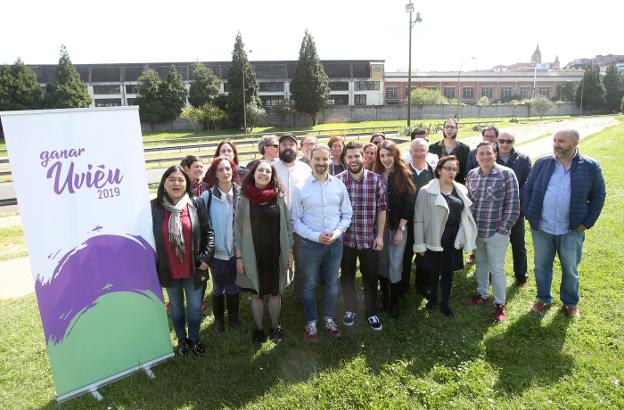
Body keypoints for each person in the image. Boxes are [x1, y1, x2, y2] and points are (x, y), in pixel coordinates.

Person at [524, 129, 605, 318]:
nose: (556, 144)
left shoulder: (590, 166)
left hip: (571, 228)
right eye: (554, 140)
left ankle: (570, 303)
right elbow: (528, 187)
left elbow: (599, 195)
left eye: (561, 141)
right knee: (541, 265)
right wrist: (529, 213)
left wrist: (586, 223)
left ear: (574, 143)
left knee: (570, 267)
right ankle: (543, 298)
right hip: (542, 227)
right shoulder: (543, 162)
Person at [151, 165, 215, 357]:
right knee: (176, 307)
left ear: (186, 183)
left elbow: (208, 232)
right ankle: (182, 339)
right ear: (164, 183)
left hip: (194, 268)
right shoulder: (153, 207)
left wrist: (206, 258)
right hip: (168, 269)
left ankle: (194, 338)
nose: (176, 183)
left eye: (180, 179)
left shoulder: (196, 203)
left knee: (195, 307)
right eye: (171, 179)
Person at [291, 145, 352, 342]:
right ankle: (310, 321)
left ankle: (328, 318)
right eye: (317, 159)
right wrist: (316, 236)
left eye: (325, 159)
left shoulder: (339, 185)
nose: (322, 163)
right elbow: (295, 221)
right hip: (310, 245)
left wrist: (337, 232)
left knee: (332, 282)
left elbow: (347, 214)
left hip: (335, 243)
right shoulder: (301, 187)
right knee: (309, 284)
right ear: (310, 159)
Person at [235, 160, 294, 345]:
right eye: (260, 170)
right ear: (253, 173)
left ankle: (275, 327)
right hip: (253, 253)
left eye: (268, 171)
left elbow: (288, 226)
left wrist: (290, 251)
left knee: (275, 292)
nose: (264, 174)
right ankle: (259, 329)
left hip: (277, 253)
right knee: (256, 293)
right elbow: (238, 230)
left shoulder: (279, 197)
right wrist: (239, 256)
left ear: (272, 176)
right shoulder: (243, 199)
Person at [413, 155, 477, 317]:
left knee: (448, 272)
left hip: (453, 238)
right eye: (448, 168)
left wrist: (464, 235)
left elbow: (465, 216)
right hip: (434, 238)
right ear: (439, 170)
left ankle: (445, 303)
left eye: (455, 169)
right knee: (434, 271)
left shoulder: (461, 190)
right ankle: (433, 299)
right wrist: (419, 243)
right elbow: (418, 219)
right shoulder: (426, 191)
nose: (452, 172)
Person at [465, 141, 520, 322]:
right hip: (477, 231)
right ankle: (482, 294)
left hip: (496, 232)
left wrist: (503, 230)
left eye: (488, 153)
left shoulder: (506, 174)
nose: (485, 156)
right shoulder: (472, 175)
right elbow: (469, 204)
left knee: (497, 269)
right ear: (476, 157)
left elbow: (513, 206)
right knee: (481, 264)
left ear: (495, 154)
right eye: (481, 153)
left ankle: (499, 303)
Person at [336, 141, 386, 331]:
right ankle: (350, 309)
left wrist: (380, 236)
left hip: (369, 239)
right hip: (346, 240)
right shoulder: (338, 181)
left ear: (363, 156)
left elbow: (382, 209)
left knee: (370, 278)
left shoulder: (376, 180)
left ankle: (371, 312)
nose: (353, 160)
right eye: (349, 156)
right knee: (347, 277)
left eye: (357, 156)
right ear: (345, 159)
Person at [200, 157, 246, 335]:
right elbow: (203, 227)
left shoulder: (241, 194)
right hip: (217, 254)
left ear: (233, 171)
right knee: (218, 287)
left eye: (228, 169)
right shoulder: (207, 196)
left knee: (234, 286)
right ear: (215, 174)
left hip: (236, 252)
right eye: (221, 170)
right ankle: (219, 320)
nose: (225, 173)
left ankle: (234, 319)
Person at [374, 140, 416, 318]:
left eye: (389, 155)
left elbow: (409, 204)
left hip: (398, 227)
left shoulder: (404, 174)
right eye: (382, 155)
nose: (385, 159)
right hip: (379, 228)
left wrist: (400, 229)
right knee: (382, 264)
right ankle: (384, 299)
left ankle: (395, 302)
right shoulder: (375, 174)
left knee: (395, 264)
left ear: (395, 155)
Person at [496, 131, 532, 287]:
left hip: (516, 208)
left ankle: (521, 276)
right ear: (497, 141)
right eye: (501, 141)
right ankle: (492, 274)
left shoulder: (523, 159)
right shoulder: (489, 156)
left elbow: (528, 183)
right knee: (494, 243)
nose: (504, 144)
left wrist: (514, 201)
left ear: (514, 141)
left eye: (508, 141)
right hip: (495, 210)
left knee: (518, 243)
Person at [402, 138, 435, 297]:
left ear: (427, 152)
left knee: (424, 255)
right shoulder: (403, 172)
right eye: (416, 150)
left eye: (422, 150)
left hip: (426, 223)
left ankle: (423, 285)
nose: (419, 153)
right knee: (406, 254)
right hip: (407, 221)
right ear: (410, 152)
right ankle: (403, 284)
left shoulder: (435, 173)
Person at [463, 126, 498, 266]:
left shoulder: (499, 151)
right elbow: (469, 172)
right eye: (486, 136)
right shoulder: (474, 153)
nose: (489, 139)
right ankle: (474, 254)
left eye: (491, 136)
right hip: (477, 195)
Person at [272, 133, 311, 207]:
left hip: (301, 215)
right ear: (279, 148)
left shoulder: (306, 169)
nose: (288, 147)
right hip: (278, 215)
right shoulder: (271, 168)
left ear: (297, 148)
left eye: (291, 144)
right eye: (284, 145)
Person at [429, 119, 470, 184]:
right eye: (447, 127)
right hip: (437, 184)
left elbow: (466, 171)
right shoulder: (433, 147)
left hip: (456, 185)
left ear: (457, 130)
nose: (449, 129)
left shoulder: (464, 148)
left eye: (452, 127)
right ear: (443, 129)